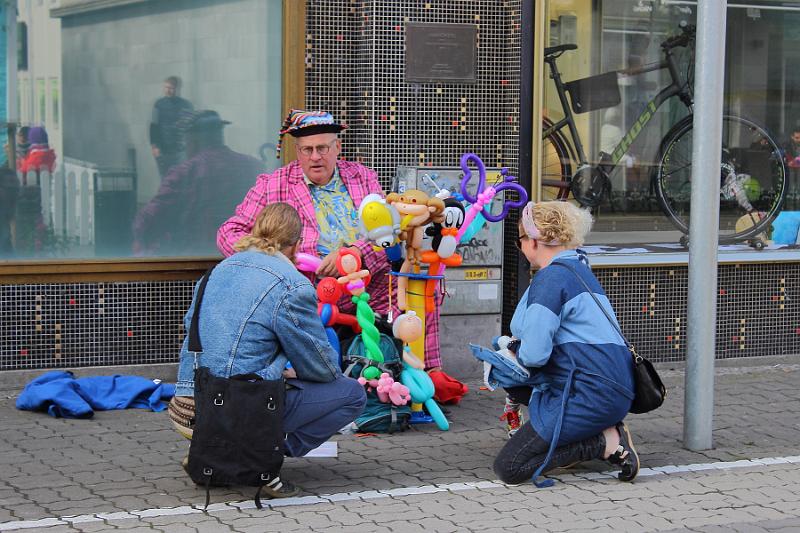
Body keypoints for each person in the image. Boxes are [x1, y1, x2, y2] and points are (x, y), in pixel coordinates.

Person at [217, 109, 444, 371]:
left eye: (322, 148)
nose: (315, 157)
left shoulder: (362, 176)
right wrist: (276, 260)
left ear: (337, 147)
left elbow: (389, 230)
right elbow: (228, 233)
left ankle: (427, 375)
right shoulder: (273, 184)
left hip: (370, 284)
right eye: (306, 150)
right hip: (308, 290)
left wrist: (354, 254)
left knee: (422, 288)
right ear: (297, 151)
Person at [169, 202, 367, 497]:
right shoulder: (291, 285)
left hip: (185, 408)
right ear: (297, 245)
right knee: (351, 394)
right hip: (236, 410)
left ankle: (216, 451)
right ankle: (253, 452)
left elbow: (195, 330)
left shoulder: (215, 273)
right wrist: (295, 367)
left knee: (267, 376)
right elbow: (321, 368)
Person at [490, 201, 639, 486]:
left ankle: (606, 442)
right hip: (611, 389)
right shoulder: (578, 270)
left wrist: (510, 350)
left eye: (520, 238)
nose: (520, 245)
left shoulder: (551, 279)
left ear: (534, 240)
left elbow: (534, 355)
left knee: (510, 466)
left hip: (588, 394)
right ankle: (595, 430)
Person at [133, 110, 264, 255]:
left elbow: (148, 220)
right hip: (242, 257)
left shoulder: (184, 173)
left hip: (193, 261)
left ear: (192, 140)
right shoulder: (252, 166)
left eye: (184, 140)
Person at [149, 76, 194, 179]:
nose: (167, 90)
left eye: (171, 88)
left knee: (180, 179)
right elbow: (154, 126)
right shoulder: (158, 104)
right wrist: (154, 146)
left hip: (180, 151)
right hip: (163, 150)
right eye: (166, 87)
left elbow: (190, 127)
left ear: (177, 89)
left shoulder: (186, 105)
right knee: (165, 179)